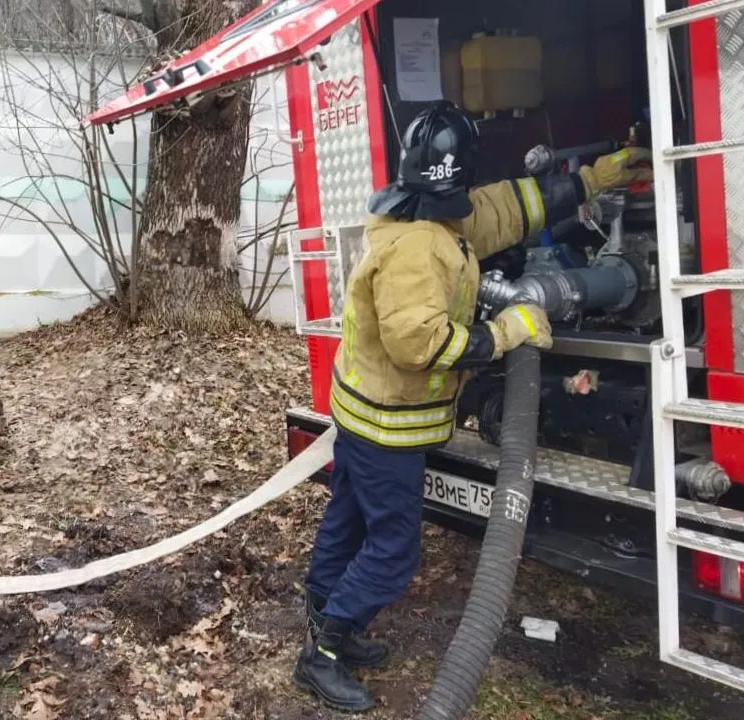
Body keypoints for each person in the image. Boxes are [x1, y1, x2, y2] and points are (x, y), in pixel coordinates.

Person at [292, 100, 653, 712]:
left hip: (364, 416)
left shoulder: (425, 215)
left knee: (348, 522)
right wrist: (504, 332)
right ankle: (323, 653)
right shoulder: (418, 248)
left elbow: (508, 208)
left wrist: (593, 179)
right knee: (394, 551)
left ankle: (328, 622)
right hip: (387, 429)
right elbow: (419, 345)